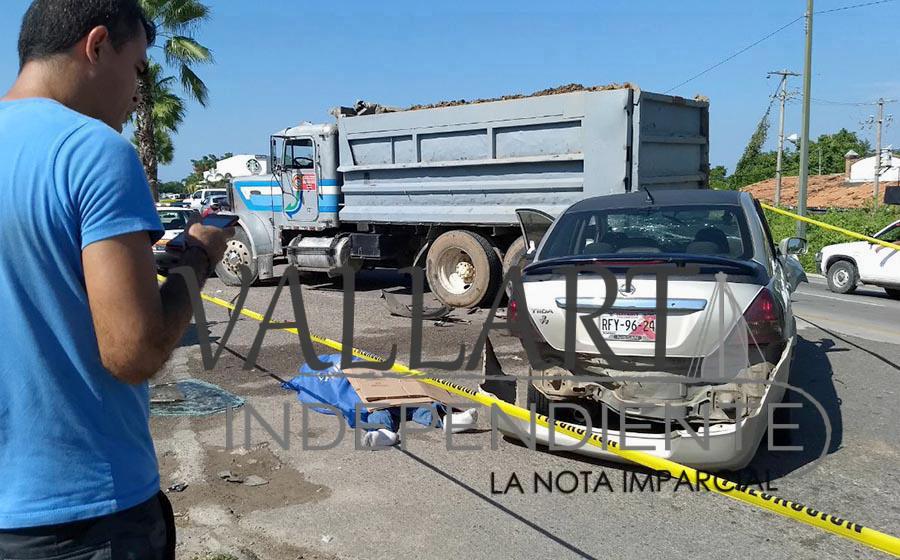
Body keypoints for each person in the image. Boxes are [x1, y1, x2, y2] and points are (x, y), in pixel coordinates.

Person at [0, 1, 230, 558]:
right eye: (137, 68)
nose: (136, 93)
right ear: (97, 45)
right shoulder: (93, 151)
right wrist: (196, 258)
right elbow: (133, 352)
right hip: (83, 512)